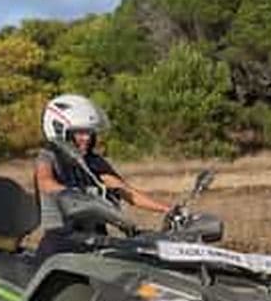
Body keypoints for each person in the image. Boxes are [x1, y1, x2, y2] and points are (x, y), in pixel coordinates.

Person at [34, 93, 172, 261]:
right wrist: (77, 193)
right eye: (80, 133)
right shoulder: (48, 156)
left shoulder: (93, 162)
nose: (87, 138)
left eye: (90, 133)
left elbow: (126, 191)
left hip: (96, 240)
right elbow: (45, 182)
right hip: (62, 242)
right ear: (59, 129)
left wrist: (168, 209)